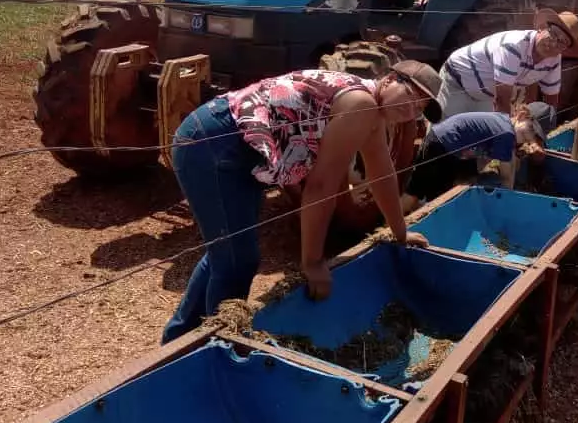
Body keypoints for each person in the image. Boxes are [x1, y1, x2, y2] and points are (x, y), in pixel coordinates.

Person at [161, 61, 443, 345]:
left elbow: (382, 173)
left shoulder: (374, 113)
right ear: (390, 79)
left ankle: (177, 342)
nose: (411, 111)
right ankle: (218, 350)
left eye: (420, 108)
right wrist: (313, 262)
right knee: (237, 261)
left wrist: (400, 232)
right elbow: (321, 187)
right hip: (214, 142)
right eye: (411, 97)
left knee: (227, 252)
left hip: (238, 148)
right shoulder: (360, 103)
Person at [400, 102, 558, 211]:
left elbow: (489, 161)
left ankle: (397, 220)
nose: (522, 139)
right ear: (521, 116)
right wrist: (508, 201)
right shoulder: (506, 133)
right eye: (525, 132)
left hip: (443, 142)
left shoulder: (502, 122)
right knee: (429, 196)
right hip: (442, 146)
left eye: (528, 139)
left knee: (421, 191)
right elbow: (507, 176)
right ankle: (395, 226)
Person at [437, 8, 578, 119]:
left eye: (562, 42)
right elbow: (502, 99)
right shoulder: (513, 46)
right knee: (443, 135)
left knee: (479, 144)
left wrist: (542, 129)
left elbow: (551, 101)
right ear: (542, 28)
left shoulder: (554, 59)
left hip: (485, 95)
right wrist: (512, 131)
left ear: (565, 49)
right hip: (457, 82)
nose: (553, 44)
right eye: (553, 34)